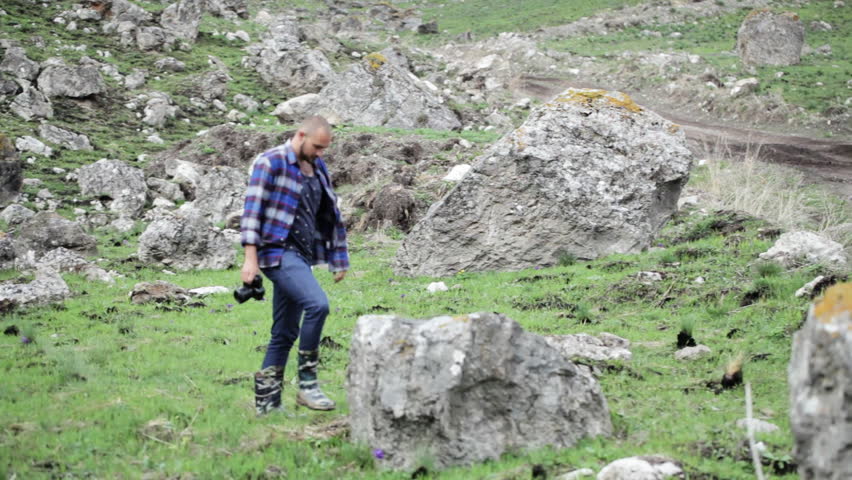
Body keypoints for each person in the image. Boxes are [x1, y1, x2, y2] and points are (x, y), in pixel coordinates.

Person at [240, 116, 348, 415]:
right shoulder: (270, 162)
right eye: (316, 147)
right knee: (318, 305)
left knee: (285, 333)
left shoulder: (317, 168)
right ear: (301, 135)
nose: (320, 153)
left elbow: (331, 214)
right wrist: (251, 260)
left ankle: (267, 407)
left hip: (302, 256)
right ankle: (308, 385)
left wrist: (339, 259)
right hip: (277, 253)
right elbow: (252, 213)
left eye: (324, 149)